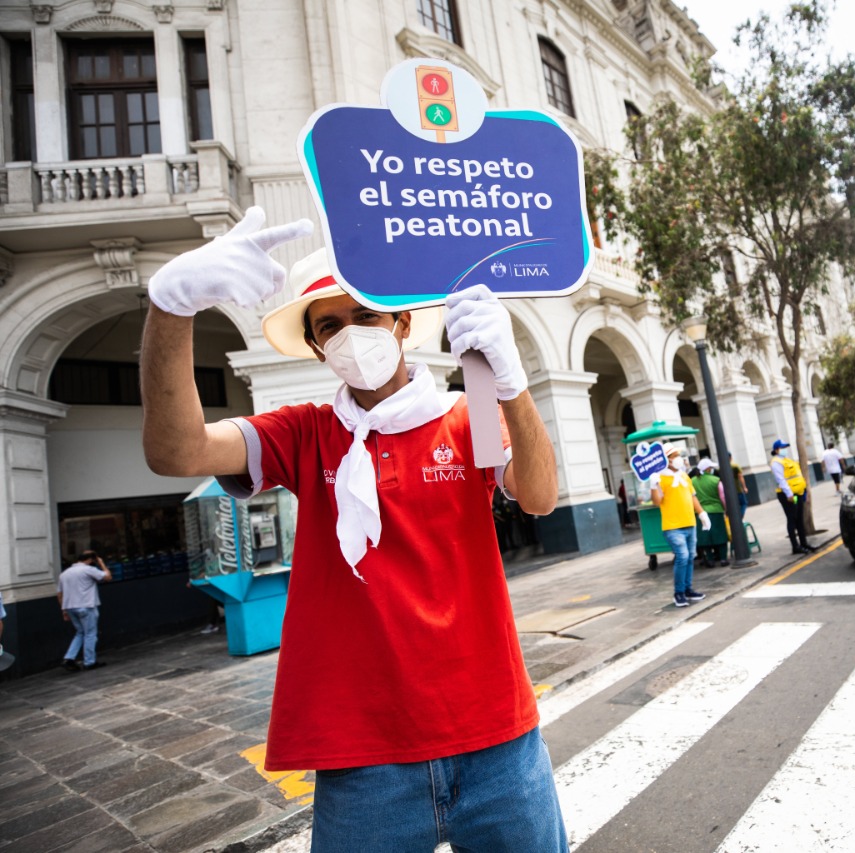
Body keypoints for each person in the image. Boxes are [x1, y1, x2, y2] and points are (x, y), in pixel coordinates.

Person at [139, 208, 568, 852]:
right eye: (329, 326)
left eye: (365, 315)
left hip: (497, 740)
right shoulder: (303, 432)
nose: (350, 335)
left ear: (401, 324)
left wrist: (511, 386)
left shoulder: (468, 410)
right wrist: (171, 308)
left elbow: (538, 496)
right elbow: (177, 451)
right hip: (362, 759)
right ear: (317, 347)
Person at [649, 447, 711, 606]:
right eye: (674, 455)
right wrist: (653, 485)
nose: (679, 458)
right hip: (673, 526)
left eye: (678, 455)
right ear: (666, 459)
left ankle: (688, 589)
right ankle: (678, 593)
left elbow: (692, 496)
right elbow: (657, 502)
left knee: (690, 557)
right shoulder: (660, 478)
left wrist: (702, 514)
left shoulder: (684, 476)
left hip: (690, 522)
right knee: (682, 557)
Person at [57, 550, 112, 671]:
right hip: (86, 606)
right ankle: (89, 662)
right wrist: (102, 564)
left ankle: (69, 658)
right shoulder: (88, 569)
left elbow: (59, 594)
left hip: (70, 607)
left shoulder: (64, 573)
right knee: (90, 634)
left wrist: (64, 610)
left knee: (80, 633)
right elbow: (108, 577)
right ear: (91, 560)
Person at [770, 439, 815, 555]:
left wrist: (804, 491)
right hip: (788, 495)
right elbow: (781, 479)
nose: (785, 450)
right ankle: (795, 546)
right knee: (792, 519)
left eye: (785, 447)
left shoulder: (787, 460)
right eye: (782, 448)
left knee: (799, 519)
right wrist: (789, 494)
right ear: (776, 450)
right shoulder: (776, 462)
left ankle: (803, 543)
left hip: (798, 493)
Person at [691, 458, 730, 567]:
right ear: (708, 469)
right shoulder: (716, 480)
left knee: (705, 538)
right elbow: (722, 497)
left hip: (699, 512)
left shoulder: (692, 481)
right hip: (716, 511)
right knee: (720, 535)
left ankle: (710, 559)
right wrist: (726, 509)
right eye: (711, 467)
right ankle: (723, 559)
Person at [728, 452, 749, 520]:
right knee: (743, 503)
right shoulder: (735, 466)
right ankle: (740, 518)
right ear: (731, 458)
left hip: (728, 491)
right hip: (738, 489)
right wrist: (744, 487)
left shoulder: (720, 468)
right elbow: (740, 477)